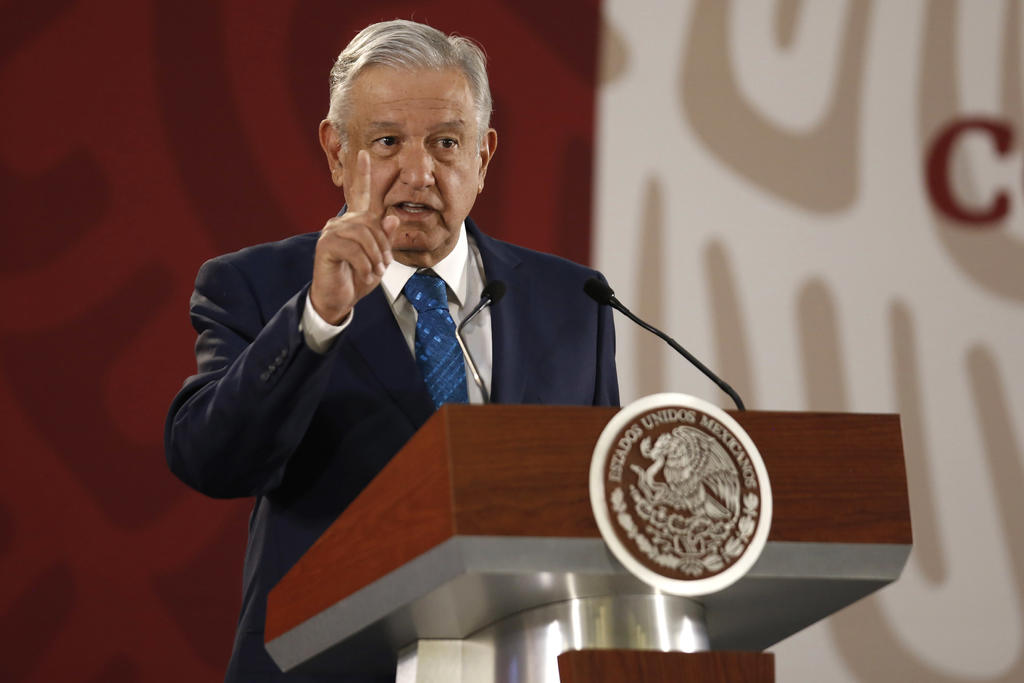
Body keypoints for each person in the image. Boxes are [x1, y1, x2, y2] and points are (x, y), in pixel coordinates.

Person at [164, 19, 618, 682]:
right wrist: (317, 319)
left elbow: (600, 509)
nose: (419, 172)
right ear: (336, 152)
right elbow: (212, 460)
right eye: (387, 142)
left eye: (446, 143)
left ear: (483, 156)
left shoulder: (574, 301)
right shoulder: (259, 286)